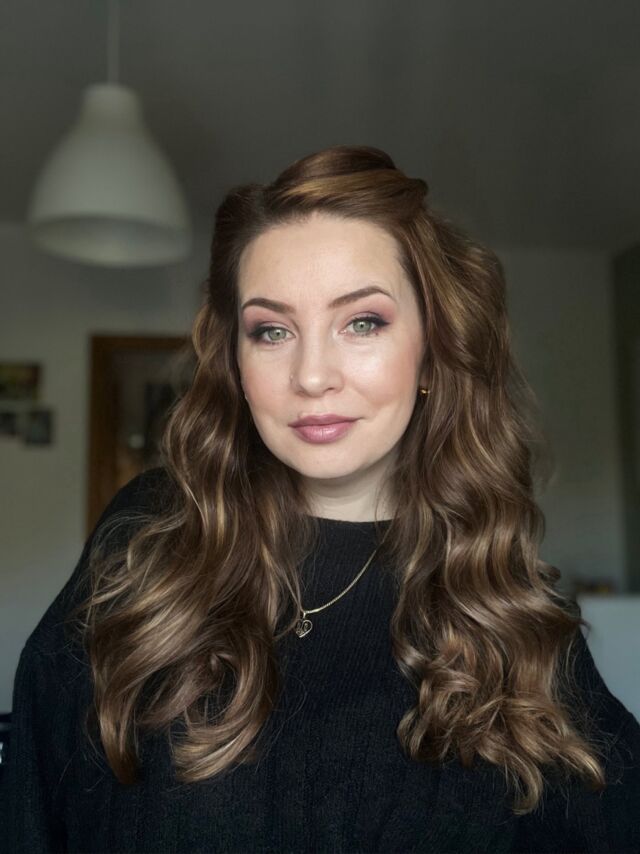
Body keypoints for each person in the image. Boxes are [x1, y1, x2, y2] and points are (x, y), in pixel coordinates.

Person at [2, 145, 639, 854]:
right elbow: (33, 794)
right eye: (272, 331)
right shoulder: (149, 533)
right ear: (236, 360)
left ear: (432, 348)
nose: (311, 376)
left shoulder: (501, 603)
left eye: (362, 322)